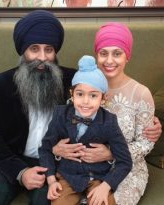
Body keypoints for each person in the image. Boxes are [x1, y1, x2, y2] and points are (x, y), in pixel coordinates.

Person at [0, 10, 161, 205]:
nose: (42, 57)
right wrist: (21, 172)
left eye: (49, 49)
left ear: (55, 52)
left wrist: (153, 125)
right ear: (23, 51)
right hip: (8, 161)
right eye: (34, 49)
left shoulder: (74, 82)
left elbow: (102, 108)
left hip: (53, 165)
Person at [53, 22, 155, 205]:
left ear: (127, 56)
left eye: (117, 53)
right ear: (96, 55)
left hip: (126, 168)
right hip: (82, 168)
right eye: (103, 53)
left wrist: (111, 154)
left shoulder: (141, 93)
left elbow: (146, 142)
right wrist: (58, 150)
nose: (109, 60)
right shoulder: (83, 86)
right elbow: (66, 126)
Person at [39, 55, 132, 205]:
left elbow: (125, 161)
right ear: (72, 95)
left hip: (98, 178)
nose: (85, 101)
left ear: (103, 98)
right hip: (67, 176)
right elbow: (45, 149)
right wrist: (51, 180)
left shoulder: (109, 121)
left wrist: (106, 186)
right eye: (80, 94)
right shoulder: (60, 115)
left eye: (93, 95)